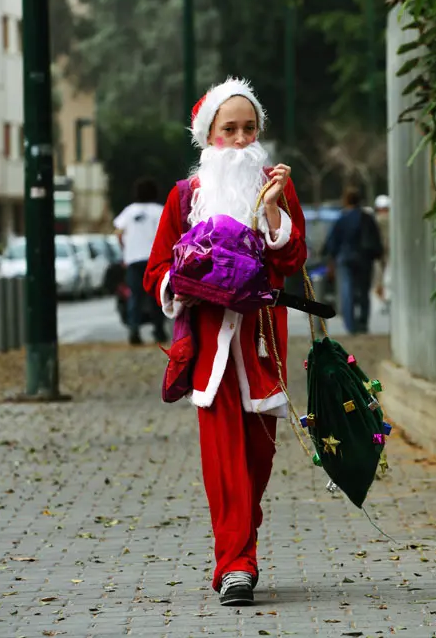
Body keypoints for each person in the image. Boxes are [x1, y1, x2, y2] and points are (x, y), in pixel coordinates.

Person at [144, 78, 306, 606]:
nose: (239, 140)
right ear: (208, 135)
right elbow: (156, 272)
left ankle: (243, 543)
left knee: (257, 460)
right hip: (210, 352)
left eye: (248, 128)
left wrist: (277, 211)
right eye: (228, 129)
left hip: (262, 349)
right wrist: (184, 280)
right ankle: (234, 565)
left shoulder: (276, 186)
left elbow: (292, 260)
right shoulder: (184, 197)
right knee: (223, 461)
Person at [114, 177, 166, 345]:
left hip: (134, 259)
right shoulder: (159, 211)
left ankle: (134, 329)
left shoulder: (129, 211)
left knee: (135, 296)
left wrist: (125, 249)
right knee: (156, 297)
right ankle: (158, 330)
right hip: (154, 260)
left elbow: (118, 232)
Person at [325, 186, 383, 334]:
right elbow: (376, 238)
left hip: (345, 258)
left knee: (346, 290)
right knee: (364, 291)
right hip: (364, 258)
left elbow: (332, 243)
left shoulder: (341, 219)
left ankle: (350, 325)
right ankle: (363, 322)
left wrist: (331, 261)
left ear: (345, 200)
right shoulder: (367, 218)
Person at [374, 194, 391, 310]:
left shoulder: (375, 219)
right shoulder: (392, 219)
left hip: (379, 251)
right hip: (389, 251)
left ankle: (382, 297)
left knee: (379, 276)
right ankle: (385, 298)